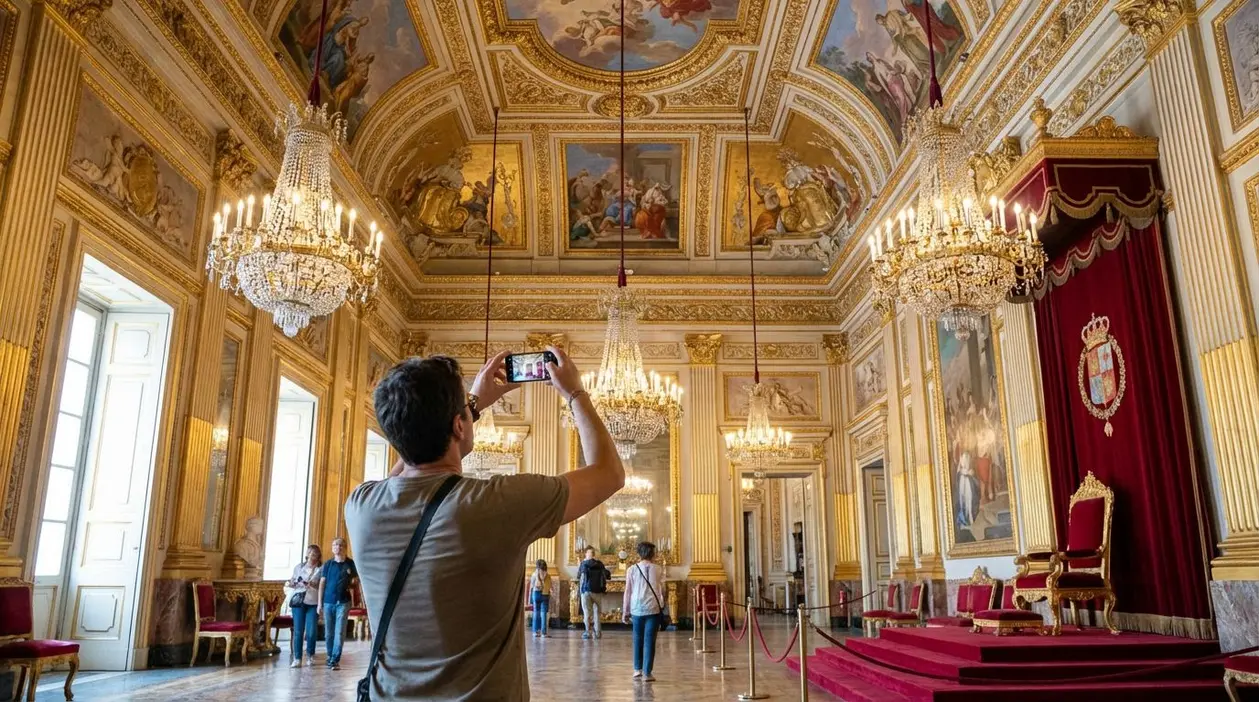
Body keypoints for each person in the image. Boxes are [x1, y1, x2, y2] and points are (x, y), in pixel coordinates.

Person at [345, 347, 624, 700]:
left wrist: (470, 404)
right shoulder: (496, 504)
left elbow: (406, 467)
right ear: (459, 425)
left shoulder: (360, 506)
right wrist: (574, 393)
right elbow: (609, 473)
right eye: (463, 411)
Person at [622, 541, 665, 683]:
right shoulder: (658, 569)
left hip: (636, 608)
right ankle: (647, 673)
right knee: (649, 641)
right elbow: (662, 590)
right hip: (653, 607)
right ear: (652, 553)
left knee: (637, 639)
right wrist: (662, 604)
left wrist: (625, 611)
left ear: (639, 553)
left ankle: (637, 670)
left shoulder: (631, 570)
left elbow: (628, 591)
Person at [317, 537, 358, 670]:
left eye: (340, 545)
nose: (338, 547)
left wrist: (350, 585)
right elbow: (322, 583)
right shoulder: (328, 564)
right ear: (332, 548)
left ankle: (335, 659)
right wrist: (319, 604)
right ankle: (330, 656)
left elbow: (356, 582)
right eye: (335, 545)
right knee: (329, 632)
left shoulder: (350, 563)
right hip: (328, 602)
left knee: (340, 632)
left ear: (344, 548)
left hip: (344, 602)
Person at [286, 544, 323, 668]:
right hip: (299, 602)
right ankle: (297, 658)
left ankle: (310, 655)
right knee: (298, 631)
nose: (311, 556)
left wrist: (312, 584)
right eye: (309, 553)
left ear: (318, 556)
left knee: (311, 631)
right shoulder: (299, 567)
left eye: (314, 554)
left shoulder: (320, 569)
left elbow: (322, 586)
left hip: (313, 602)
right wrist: (292, 583)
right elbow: (293, 580)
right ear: (307, 554)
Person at [577, 546, 610, 640]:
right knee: (597, 612)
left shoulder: (583, 564)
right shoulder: (600, 564)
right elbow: (606, 575)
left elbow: (579, 576)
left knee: (587, 612)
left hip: (586, 591)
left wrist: (579, 564)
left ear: (587, 554)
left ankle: (587, 632)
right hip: (598, 591)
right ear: (594, 554)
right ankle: (598, 633)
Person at [529, 560, 552, 638]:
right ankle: (543, 633)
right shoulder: (548, 575)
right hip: (545, 594)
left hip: (536, 594)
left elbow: (532, 586)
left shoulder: (534, 574)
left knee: (536, 613)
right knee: (543, 614)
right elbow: (550, 587)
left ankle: (535, 632)